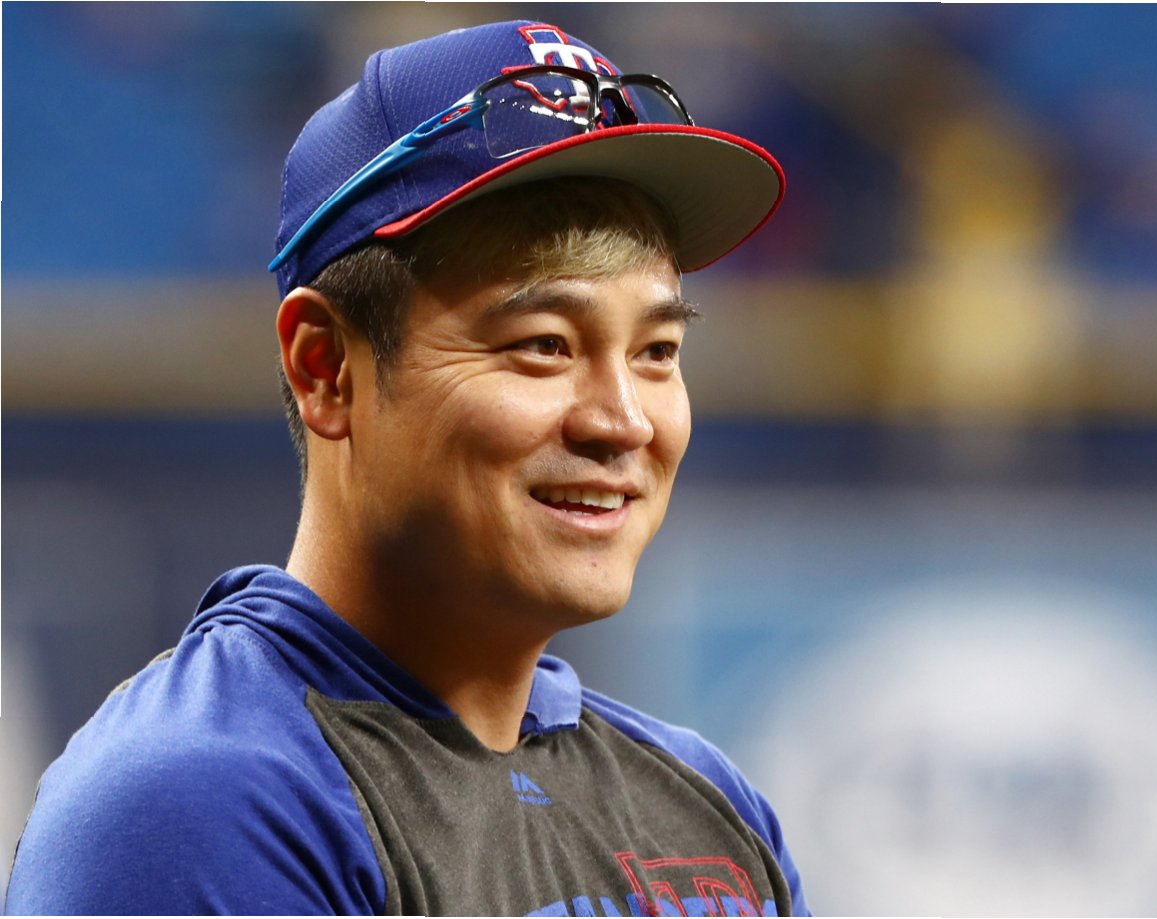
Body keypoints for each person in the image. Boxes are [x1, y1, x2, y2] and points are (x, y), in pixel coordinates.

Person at [5, 19, 807, 917]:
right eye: (543, 344)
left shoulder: (710, 807)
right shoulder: (195, 806)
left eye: (656, 351)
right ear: (326, 369)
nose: (622, 420)